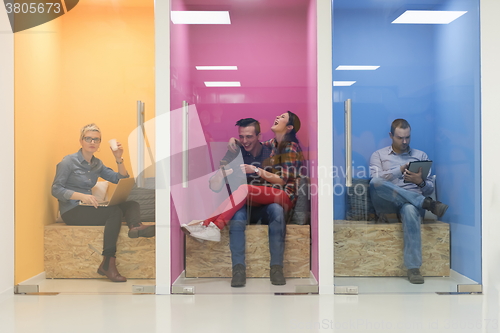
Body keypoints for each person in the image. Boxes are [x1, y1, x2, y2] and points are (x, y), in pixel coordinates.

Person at [181, 112, 303, 286]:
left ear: (259, 137)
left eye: (249, 137)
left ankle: (277, 268)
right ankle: (238, 270)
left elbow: (283, 180)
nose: (245, 141)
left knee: (275, 209)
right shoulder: (235, 152)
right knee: (237, 215)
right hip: (240, 207)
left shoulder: (273, 150)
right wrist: (223, 172)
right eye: (241, 137)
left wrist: (256, 170)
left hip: (267, 204)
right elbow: (214, 185)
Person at [51, 123, 155, 282]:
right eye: (88, 139)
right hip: (72, 211)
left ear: (99, 144)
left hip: (88, 208)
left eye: (96, 140)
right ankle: (107, 262)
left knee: (131, 204)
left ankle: (135, 227)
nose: (92, 142)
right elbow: (56, 189)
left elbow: (120, 179)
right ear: (81, 141)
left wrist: (118, 158)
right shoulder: (68, 162)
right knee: (114, 212)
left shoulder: (96, 164)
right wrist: (81, 196)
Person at [369, 118, 448, 284]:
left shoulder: (421, 156)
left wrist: (420, 182)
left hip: (410, 205)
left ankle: (413, 268)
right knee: (375, 183)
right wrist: (400, 170)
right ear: (391, 135)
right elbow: (375, 180)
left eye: (407, 137)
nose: (404, 141)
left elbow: (429, 189)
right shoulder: (379, 155)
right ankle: (426, 203)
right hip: (387, 203)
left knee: (411, 209)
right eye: (400, 138)